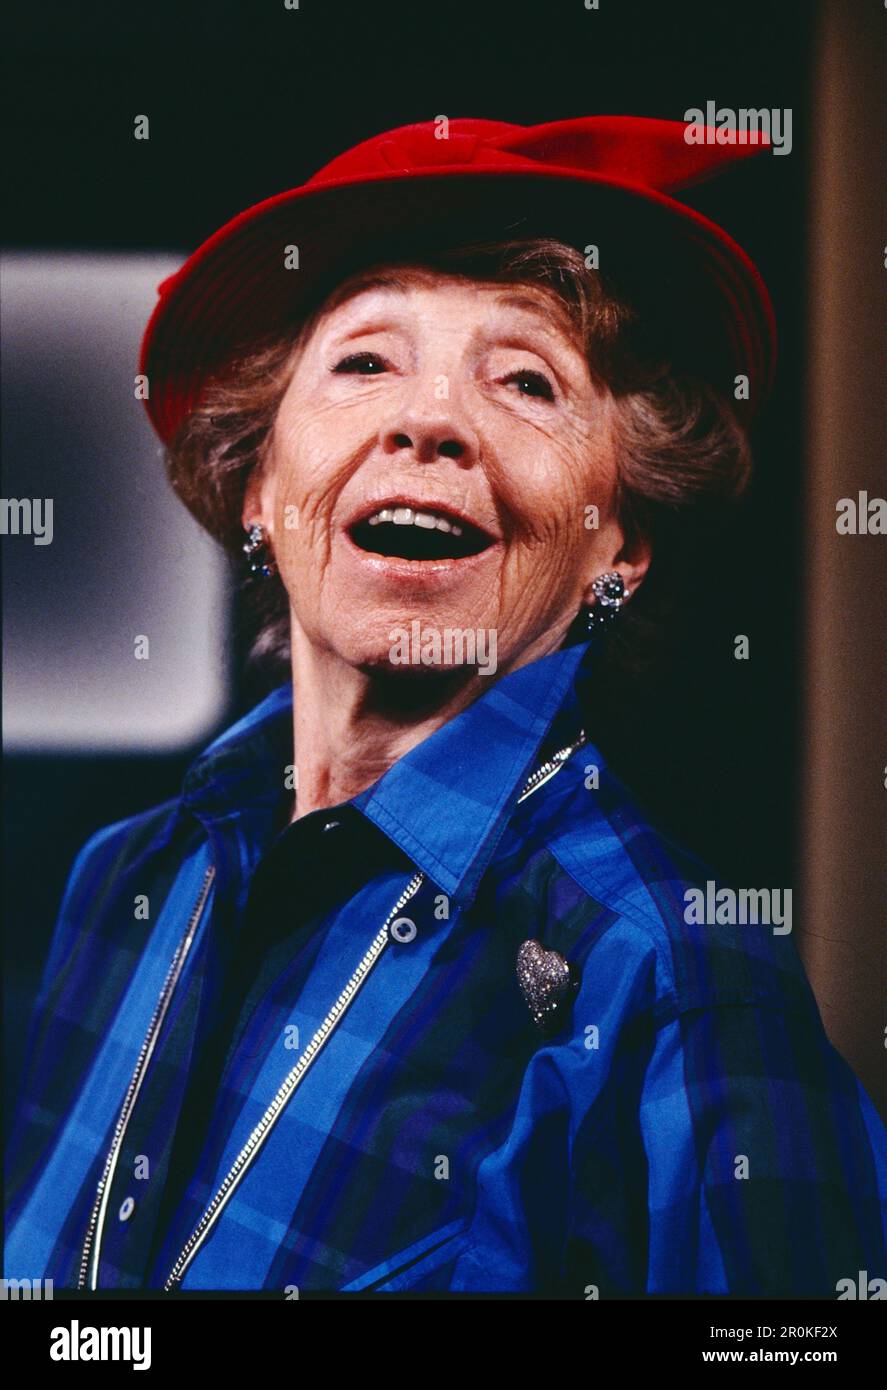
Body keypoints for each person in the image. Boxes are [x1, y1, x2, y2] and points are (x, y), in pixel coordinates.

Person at [6, 116, 885, 1295]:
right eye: (365, 361)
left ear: (616, 547)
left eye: (524, 381)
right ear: (259, 486)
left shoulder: (682, 988)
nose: (427, 421)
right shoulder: (120, 883)